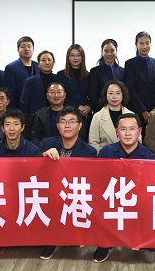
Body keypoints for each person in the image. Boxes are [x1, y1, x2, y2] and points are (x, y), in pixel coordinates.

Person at [93, 113, 155, 262]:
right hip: (111, 200)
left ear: (139, 131)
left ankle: (138, 237)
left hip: (137, 202)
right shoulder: (106, 152)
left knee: (152, 246)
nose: (128, 133)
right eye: (123, 129)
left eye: (132, 129)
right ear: (117, 131)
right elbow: (98, 181)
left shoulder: (149, 156)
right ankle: (106, 244)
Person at [39, 106, 97, 260]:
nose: (67, 125)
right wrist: (43, 157)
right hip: (51, 192)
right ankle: (51, 242)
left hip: (75, 194)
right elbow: (33, 169)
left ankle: (75, 233)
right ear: (57, 125)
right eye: (63, 121)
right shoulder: (46, 144)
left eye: (72, 121)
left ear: (80, 125)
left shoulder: (89, 151)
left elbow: (90, 181)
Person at [0, 109, 41, 256]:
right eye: (8, 124)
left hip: (25, 194)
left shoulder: (33, 151)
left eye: (16, 124)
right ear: (2, 128)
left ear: (22, 127)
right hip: (1, 194)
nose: (12, 128)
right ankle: (0, 239)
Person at [124, 31, 155, 127]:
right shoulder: (130, 64)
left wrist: (154, 110)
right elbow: (130, 89)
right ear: (136, 44)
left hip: (154, 111)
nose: (144, 46)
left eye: (147, 43)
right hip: (136, 110)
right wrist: (143, 111)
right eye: (141, 43)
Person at [88, 80, 134, 152]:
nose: (114, 97)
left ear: (123, 94)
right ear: (105, 95)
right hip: (105, 156)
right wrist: (106, 155)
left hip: (127, 156)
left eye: (118, 93)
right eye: (110, 93)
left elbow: (138, 139)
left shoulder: (132, 115)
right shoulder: (97, 116)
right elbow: (93, 142)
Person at [88, 39, 125, 113]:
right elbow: (92, 94)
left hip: (120, 111)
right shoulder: (95, 71)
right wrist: (104, 108)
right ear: (102, 52)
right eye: (106, 51)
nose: (109, 54)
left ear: (116, 52)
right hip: (101, 111)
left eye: (112, 51)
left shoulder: (123, 71)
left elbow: (125, 92)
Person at [56, 44, 91, 120]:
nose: (75, 58)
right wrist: (76, 106)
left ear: (82, 57)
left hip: (85, 115)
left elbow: (92, 95)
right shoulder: (61, 75)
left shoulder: (88, 75)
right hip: (67, 114)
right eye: (72, 55)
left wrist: (89, 107)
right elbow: (60, 96)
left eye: (78, 55)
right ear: (68, 57)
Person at [4, 36, 39, 109]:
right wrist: (14, 111)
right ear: (18, 49)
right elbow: (10, 93)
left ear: (33, 49)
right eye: (23, 47)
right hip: (20, 109)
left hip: (38, 109)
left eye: (29, 46)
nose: (26, 49)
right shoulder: (11, 68)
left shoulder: (38, 66)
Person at [20, 50, 56, 116]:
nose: (47, 62)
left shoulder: (59, 79)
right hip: (36, 117)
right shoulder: (30, 82)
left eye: (49, 60)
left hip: (57, 116)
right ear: (38, 64)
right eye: (43, 60)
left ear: (53, 62)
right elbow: (24, 104)